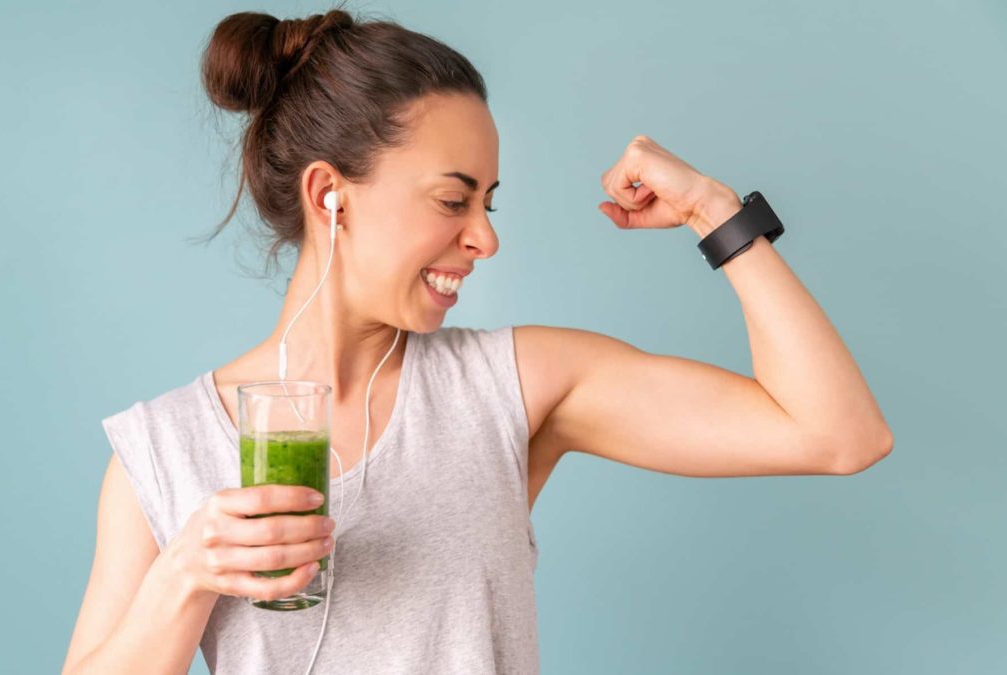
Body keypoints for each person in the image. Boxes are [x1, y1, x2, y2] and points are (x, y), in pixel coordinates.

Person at [61, 8, 894, 675]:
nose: (485, 238)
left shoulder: (516, 386)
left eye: (490, 202)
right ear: (330, 195)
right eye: (453, 200)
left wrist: (716, 211)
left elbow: (839, 433)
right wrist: (184, 576)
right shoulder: (163, 449)